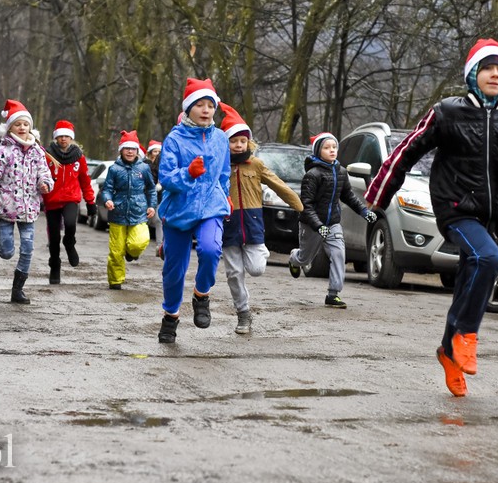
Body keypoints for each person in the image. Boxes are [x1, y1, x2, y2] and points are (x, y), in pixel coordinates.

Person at [364, 38, 498, 397]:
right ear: (473, 75)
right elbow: (407, 150)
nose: (495, 74)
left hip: (491, 215)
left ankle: (447, 351)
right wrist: (379, 195)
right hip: (455, 207)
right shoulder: (447, 112)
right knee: (489, 258)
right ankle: (466, 335)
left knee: (467, 280)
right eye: (488, 68)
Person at [156, 78, 231, 343]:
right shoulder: (174, 139)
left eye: (210, 105)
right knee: (174, 272)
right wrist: (187, 173)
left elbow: (223, 175)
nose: (206, 109)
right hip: (179, 208)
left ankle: (201, 295)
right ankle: (171, 316)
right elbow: (165, 178)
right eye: (199, 104)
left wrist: (226, 196)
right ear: (188, 108)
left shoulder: (221, 139)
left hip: (211, 204)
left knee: (210, 250)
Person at [219, 102, 304, 334]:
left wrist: (299, 206)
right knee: (234, 274)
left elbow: (277, 184)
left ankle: (262, 251)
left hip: (253, 224)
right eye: (233, 141)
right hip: (228, 225)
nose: (238, 145)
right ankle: (243, 313)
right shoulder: (220, 164)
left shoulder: (255, 164)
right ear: (225, 142)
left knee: (256, 269)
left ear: (248, 142)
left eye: (242, 141)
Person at [0, 99, 54, 304]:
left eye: (25, 124)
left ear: (30, 126)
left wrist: (45, 184)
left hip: (29, 209)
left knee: (28, 248)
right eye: (17, 124)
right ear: (10, 127)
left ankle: (18, 290)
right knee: (7, 252)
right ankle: (3, 245)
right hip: (5, 208)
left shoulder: (37, 151)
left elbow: (45, 174)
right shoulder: (4, 150)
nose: (22, 128)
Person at [287, 132, 378, 308]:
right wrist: (318, 225)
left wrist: (364, 212)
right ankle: (294, 258)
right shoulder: (312, 175)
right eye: (327, 148)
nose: (332, 150)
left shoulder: (341, 172)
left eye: (334, 147)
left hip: (333, 223)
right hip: (312, 224)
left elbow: (349, 196)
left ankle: (333, 294)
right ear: (318, 151)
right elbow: (306, 204)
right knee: (306, 258)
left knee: (338, 255)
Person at [42, 120, 96, 284]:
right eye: (60, 136)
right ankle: (55, 266)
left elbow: (85, 181)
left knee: (71, 224)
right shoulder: (47, 155)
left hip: (71, 199)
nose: (63, 139)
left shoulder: (79, 157)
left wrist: (90, 202)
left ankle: (70, 242)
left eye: (66, 136)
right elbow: (39, 176)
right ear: (55, 138)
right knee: (53, 237)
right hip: (52, 200)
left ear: (71, 138)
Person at [102, 130, 157, 289]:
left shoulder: (144, 168)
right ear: (121, 150)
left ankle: (132, 253)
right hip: (117, 212)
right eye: (127, 148)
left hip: (139, 211)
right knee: (116, 251)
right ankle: (115, 280)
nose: (130, 151)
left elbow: (151, 189)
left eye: (133, 149)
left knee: (140, 241)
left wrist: (152, 205)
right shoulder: (114, 169)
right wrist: (108, 200)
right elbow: (107, 189)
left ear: (137, 151)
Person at [144, 139, 163, 247]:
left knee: (158, 220)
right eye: (155, 151)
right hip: (146, 196)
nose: (156, 154)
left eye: (158, 152)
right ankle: (142, 240)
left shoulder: (162, 164)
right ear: (150, 152)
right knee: (145, 220)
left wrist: (160, 186)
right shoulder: (145, 164)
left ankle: (159, 245)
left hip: (159, 196)